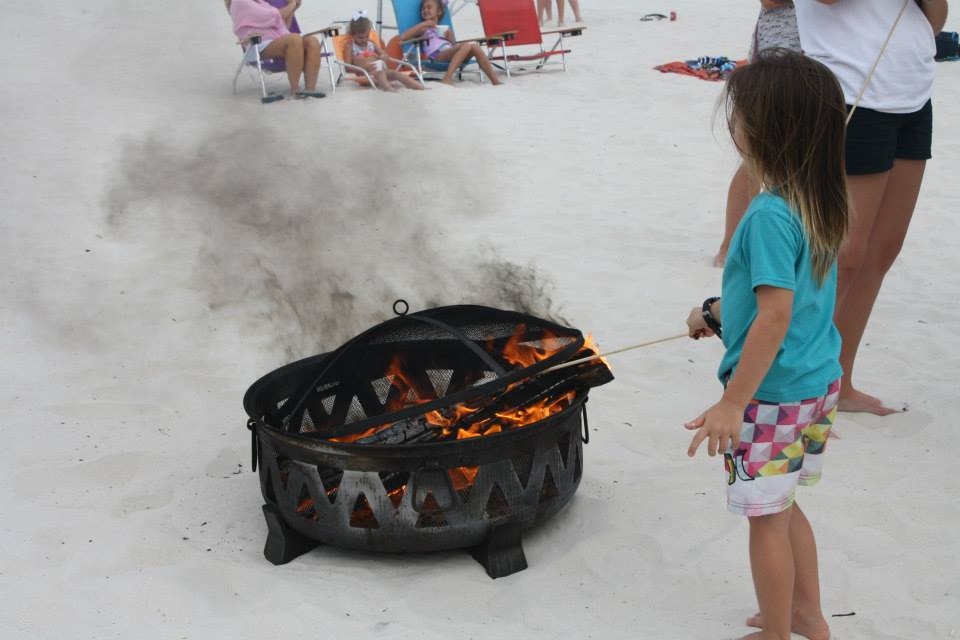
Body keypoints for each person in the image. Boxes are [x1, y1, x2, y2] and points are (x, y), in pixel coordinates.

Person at [685, 50, 848, 640]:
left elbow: (775, 317)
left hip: (771, 398)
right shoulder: (821, 197)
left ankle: (779, 633)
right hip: (815, 383)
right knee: (783, 506)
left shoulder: (767, 216)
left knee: (764, 520)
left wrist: (733, 403)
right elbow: (790, 302)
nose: (733, 125)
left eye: (739, 115)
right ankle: (805, 613)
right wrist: (717, 314)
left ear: (765, 130)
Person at [793, 0, 947, 414]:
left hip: (911, 94)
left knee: (883, 249)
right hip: (849, 91)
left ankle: (837, 382)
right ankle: (795, 390)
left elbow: (933, 20)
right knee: (842, 255)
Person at [714, 1, 802, 267]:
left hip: (834, 53)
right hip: (784, 48)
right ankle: (731, 245)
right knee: (759, 152)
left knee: (800, 152)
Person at [226, 0, 324, 98]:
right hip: (257, 44)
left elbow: (283, 26)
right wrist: (291, 4)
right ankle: (295, 90)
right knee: (294, 39)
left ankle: (310, 90)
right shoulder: (240, 2)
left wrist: (293, 9)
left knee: (312, 41)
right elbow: (270, 17)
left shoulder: (261, 3)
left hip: (276, 41)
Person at [398, 0, 503, 85]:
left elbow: (453, 45)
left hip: (450, 54)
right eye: (423, 9)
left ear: (439, 12)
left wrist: (450, 36)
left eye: (429, 7)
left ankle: (495, 81)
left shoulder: (445, 29)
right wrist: (423, 25)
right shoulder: (423, 28)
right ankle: (447, 78)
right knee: (466, 46)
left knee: (475, 47)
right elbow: (403, 37)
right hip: (437, 56)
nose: (425, 10)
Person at [343, 13, 425, 91]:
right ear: (352, 35)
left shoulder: (371, 44)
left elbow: (384, 54)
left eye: (366, 37)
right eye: (360, 38)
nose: (364, 40)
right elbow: (347, 67)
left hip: (380, 69)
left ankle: (418, 87)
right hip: (366, 73)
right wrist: (364, 68)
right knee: (378, 72)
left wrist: (383, 56)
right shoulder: (350, 46)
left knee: (396, 74)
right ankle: (389, 90)